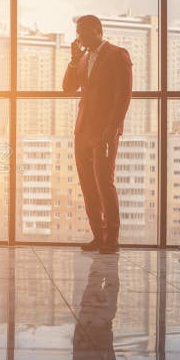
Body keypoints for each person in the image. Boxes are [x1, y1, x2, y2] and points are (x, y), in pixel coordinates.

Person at [62, 15, 133, 254]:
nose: (79, 36)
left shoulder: (117, 54)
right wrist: (73, 60)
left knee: (104, 182)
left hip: (104, 131)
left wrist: (112, 127)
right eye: (77, 31)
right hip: (82, 131)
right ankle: (98, 236)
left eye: (82, 31)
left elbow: (123, 95)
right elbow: (68, 87)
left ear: (97, 30)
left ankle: (111, 238)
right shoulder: (81, 59)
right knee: (88, 184)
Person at [58, 254, 128, 360]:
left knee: (108, 295)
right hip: (83, 355)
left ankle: (110, 260)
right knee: (93, 289)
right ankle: (103, 259)